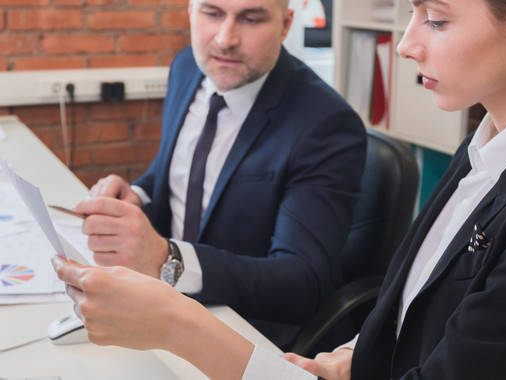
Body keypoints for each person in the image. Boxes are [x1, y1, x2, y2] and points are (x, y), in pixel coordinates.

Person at [54, 0, 506, 378]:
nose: (405, 44)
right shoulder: (490, 139)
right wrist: (358, 355)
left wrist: (175, 323)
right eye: (411, 13)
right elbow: (429, 310)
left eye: (437, 18)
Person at [72, 0, 366, 348]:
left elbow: (300, 283)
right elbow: (176, 171)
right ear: (190, 12)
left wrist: (168, 258)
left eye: (251, 18)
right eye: (212, 13)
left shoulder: (326, 124)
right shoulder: (187, 67)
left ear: (286, 25)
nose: (226, 39)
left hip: (250, 331)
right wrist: (138, 194)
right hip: (165, 303)